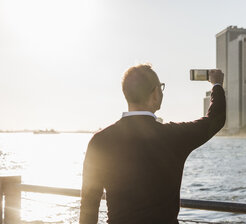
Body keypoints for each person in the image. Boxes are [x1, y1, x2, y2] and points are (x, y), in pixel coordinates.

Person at [79, 64, 226, 224]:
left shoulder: (99, 141)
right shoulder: (173, 136)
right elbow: (215, 119)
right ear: (155, 93)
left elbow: (89, 205)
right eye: (161, 88)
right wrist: (216, 84)